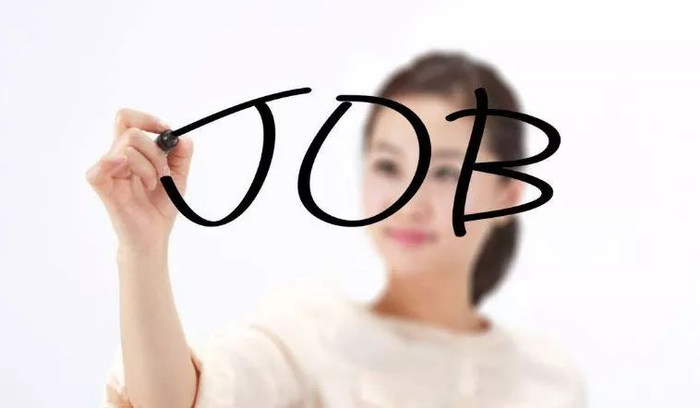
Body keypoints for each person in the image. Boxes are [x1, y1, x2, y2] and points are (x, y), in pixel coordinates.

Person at [87, 50, 587, 408]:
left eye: (446, 173)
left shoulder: (550, 379)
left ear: (507, 196)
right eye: (389, 166)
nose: (409, 200)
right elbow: (176, 400)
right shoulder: (308, 338)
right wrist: (142, 249)